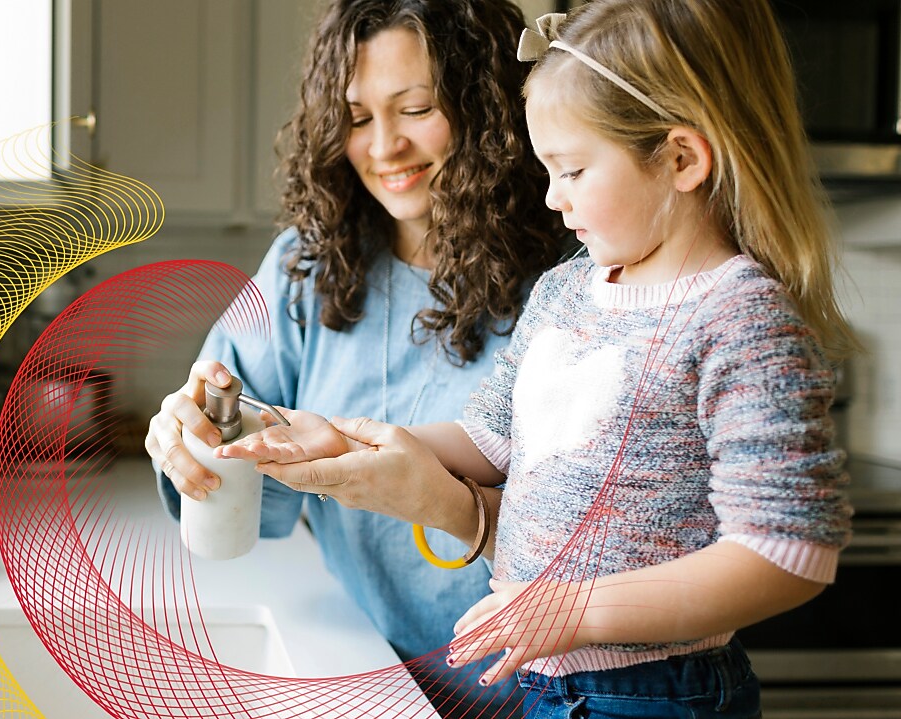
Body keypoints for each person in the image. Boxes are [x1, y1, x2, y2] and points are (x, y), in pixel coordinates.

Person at [218, 1, 858, 717]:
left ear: (682, 159)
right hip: (545, 686)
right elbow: (491, 440)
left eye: (573, 169)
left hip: (656, 694)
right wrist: (345, 436)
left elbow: (789, 551)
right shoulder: (568, 289)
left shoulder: (739, 317)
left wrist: (574, 610)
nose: (553, 198)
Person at [144, 0, 565, 716]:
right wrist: (190, 442)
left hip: (539, 697)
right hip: (373, 678)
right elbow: (248, 492)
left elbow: (606, 537)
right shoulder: (306, 268)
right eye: (358, 117)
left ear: (488, 107)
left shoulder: (572, 283)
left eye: (416, 109)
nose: (385, 146)